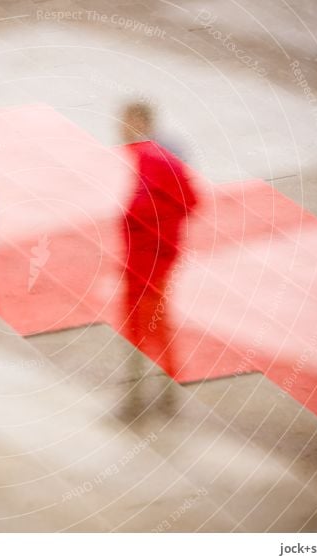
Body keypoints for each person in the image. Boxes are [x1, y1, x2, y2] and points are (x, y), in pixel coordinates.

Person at [119, 103, 198, 421]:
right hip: (146, 260)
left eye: (130, 122)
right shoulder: (140, 158)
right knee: (147, 326)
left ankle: (145, 399)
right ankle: (156, 395)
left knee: (146, 327)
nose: (123, 128)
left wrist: (158, 241)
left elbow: (185, 201)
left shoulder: (155, 160)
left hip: (150, 261)